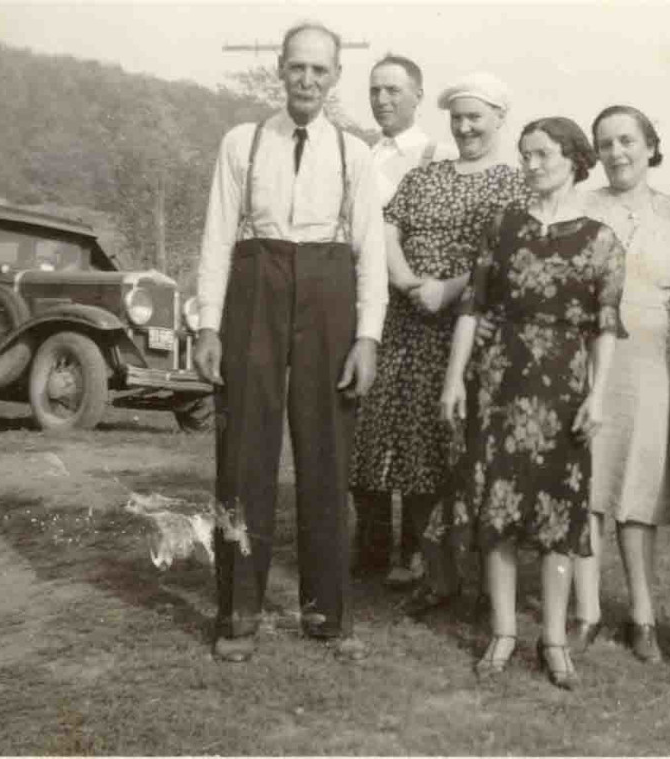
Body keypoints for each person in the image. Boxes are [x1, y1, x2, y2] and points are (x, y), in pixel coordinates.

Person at [193, 21, 387, 664]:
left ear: (336, 77)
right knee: (244, 453)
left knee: (327, 456)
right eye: (297, 67)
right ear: (280, 68)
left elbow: (372, 256)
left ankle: (326, 614)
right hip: (256, 288)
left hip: (330, 294)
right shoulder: (241, 142)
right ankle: (238, 614)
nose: (308, 80)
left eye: (320, 70)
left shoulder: (353, 152)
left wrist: (367, 337)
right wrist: (209, 326)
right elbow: (218, 237)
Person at [440, 117, 625, 691]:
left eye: (542, 154)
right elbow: (471, 305)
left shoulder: (601, 240)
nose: (530, 165)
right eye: (524, 155)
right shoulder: (502, 226)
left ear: (573, 159)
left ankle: (553, 640)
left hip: (563, 390)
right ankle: (502, 632)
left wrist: (596, 396)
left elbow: (606, 327)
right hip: (500, 382)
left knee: (558, 518)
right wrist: (454, 381)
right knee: (495, 510)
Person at [352, 71, 530, 610]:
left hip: (464, 325)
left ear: (499, 119)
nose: (466, 127)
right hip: (405, 319)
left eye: (476, 117)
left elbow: (506, 257)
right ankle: (376, 549)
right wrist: (406, 281)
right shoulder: (426, 175)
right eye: (457, 118)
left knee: (438, 438)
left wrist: (449, 290)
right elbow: (387, 226)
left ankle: (432, 560)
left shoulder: (513, 182)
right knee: (379, 429)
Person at [568, 105, 670, 664]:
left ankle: (643, 615)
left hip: (647, 368)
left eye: (627, 141)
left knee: (641, 492)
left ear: (650, 145)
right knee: (589, 488)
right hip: (589, 361)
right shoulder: (581, 205)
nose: (616, 153)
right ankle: (587, 610)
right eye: (605, 143)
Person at [351, 53, 460, 590]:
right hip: (362, 300)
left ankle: (417, 550)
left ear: (418, 95)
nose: (383, 99)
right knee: (363, 424)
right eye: (375, 90)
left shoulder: (436, 154)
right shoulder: (358, 154)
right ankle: (369, 546)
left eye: (394, 90)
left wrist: (416, 285)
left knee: (417, 428)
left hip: (417, 307)